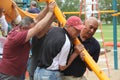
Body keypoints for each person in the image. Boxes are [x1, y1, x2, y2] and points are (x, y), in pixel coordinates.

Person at [0, 1, 56, 80]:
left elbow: (37, 19)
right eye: (31, 29)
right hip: (9, 74)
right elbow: (37, 28)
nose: (32, 30)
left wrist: (47, 7)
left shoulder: (20, 28)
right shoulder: (18, 37)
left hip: (15, 72)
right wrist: (50, 13)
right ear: (24, 28)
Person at [31, 16, 85, 80]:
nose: (78, 33)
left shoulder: (54, 29)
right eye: (76, 29)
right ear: (68, 26)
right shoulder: (66, 42)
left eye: (79, 30)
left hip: (38, 72)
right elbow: (62, 67)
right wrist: (76, 53)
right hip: (50, 74)